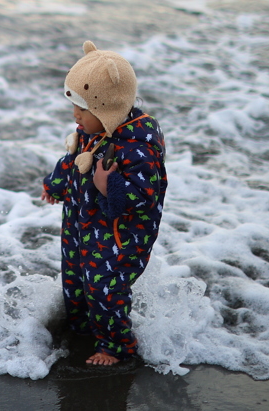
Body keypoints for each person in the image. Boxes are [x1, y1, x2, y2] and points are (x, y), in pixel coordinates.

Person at [40, 41, 167, 366]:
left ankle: (116, 346)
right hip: (79, 225)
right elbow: (72, 159)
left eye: (83, 109)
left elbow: (144, 198)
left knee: (104, 290)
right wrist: (55, 185)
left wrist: (107, 183)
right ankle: (83, 328)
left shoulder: (138, 149)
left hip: (117, 237)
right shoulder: (91, 131)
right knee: (75, 280)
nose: (75, 115)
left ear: (106, 108)